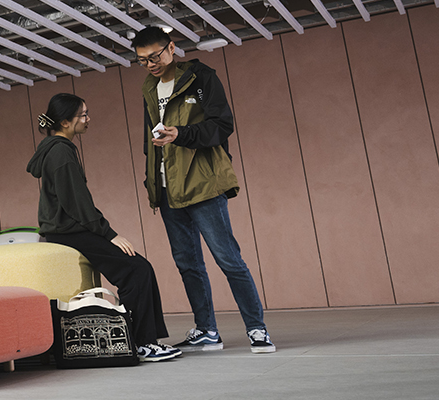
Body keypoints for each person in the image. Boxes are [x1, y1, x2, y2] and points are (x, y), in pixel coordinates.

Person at [132, 26, 274, 353]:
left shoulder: (201, 78)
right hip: (169, 190)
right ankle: (207, 329)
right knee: (188, 264)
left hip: (203, 184)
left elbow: (222, 125)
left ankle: (257, 329)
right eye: (142, 60)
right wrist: (152, 178)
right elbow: (148, 142)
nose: (151, 64)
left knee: (228, 259)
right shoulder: (149, 88)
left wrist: (180, 134)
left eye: (155, 56)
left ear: (171, 47)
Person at [27, 93, 181, 362]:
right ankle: (142, 343)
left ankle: (144, 340)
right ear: (65, 122)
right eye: (83, 115)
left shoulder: (55, 148)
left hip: (64, 231)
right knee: (137, 269)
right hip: (70, 233)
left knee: (138, 268)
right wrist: (110, 234)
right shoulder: (61, 151)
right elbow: (77, 203)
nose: (88, 119)